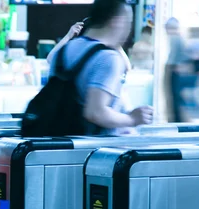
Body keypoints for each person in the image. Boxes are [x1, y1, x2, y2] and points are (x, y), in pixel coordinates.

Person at [49, 0, 153, 135]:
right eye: (128, 22)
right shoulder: (108, 58)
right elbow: (96, 112)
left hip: (57, 143)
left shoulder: (64, 50)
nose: (128, 29)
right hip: (95, 150)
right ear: (117, 21)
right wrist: (132, 119)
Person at [165, 17, 189, 122]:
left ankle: (176, 120)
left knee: (175, 99)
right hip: (174, 70)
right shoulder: (177, 39)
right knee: (174, 98)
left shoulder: (177, 39)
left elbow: (176, 56)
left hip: (175, 71)